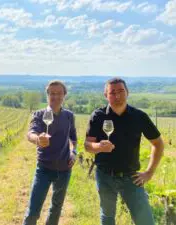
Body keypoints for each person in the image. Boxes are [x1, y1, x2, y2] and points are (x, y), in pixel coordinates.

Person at [84, 77, 164, 225]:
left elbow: (158, 144)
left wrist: (149, 172)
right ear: (106, 95)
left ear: (128, 92)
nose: (117, 96)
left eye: (121, 91)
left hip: (131, 177)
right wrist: (98, 147)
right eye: (112, 92)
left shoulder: (139, 117)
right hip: (105, 176)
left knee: (145, 220)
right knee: (107, 217)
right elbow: (88, 145)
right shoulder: (98, 116)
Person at [23, 80, 77, 225]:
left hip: (65, 169)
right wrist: (38, 140)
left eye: (59, 93)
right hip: (44, 169)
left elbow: (73, 138)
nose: (55, 96)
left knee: (56, 208)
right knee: (33, 210)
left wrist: (74, 153)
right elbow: (31, 133)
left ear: (64, 95)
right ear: (47, 95)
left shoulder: (69, 116)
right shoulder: (40, 114)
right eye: (52, 93)